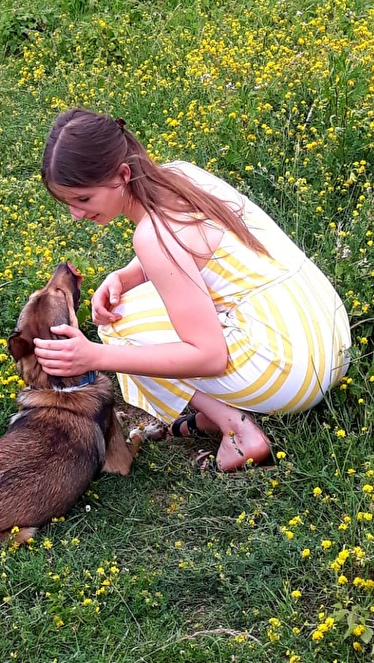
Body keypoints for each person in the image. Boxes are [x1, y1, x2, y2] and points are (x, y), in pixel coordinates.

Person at [33, 109, 351, 471]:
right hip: (327, 335)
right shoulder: (182, 175)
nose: (75, 214)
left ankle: (237, 430)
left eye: (83, 199)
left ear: (122, 175)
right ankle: (226, 411)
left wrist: (95, 356)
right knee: (130, 306)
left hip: (292, 372)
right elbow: (195, 246)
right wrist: (126, 275)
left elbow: (209, 356)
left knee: (118, 323)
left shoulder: (154, 236)